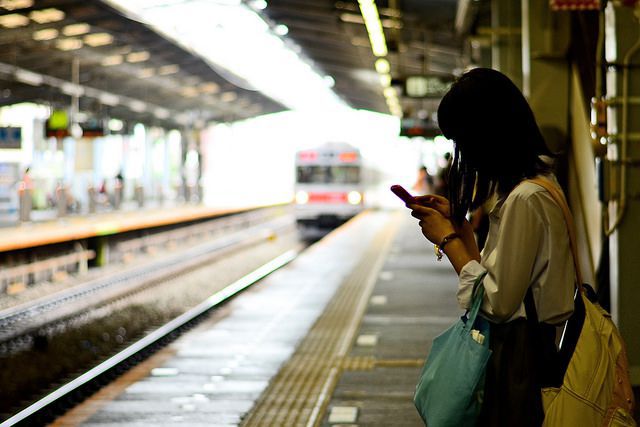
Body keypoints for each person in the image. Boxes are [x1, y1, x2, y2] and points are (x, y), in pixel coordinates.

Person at [406, 68, 575, 426]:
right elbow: (497, 272)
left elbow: (496, 302)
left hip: (521, 358)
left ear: (488, 135)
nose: (463, 152)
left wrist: (447, 240)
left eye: (464, 140)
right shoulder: (537, 185)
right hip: (532, 346)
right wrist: (461, 225)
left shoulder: (526, 199)